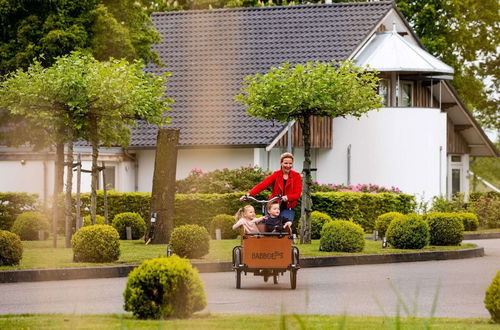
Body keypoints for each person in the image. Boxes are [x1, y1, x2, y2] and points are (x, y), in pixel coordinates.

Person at [240, 152, 302, 223]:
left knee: (285, 227)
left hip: (288, 206)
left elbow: (297, 194)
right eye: (285, 163)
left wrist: (287, 197)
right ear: (281, 163)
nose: (288, 165)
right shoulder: (276, 175)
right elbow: (262, 185)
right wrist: (248, 194)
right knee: (267, 225)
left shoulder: (296, 176)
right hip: (274, 205)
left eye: (290, 163)